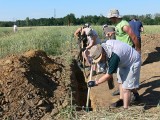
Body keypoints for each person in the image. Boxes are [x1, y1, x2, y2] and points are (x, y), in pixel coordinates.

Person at [87, 40, 141, 109]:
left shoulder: (114, 57)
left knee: (126, 88)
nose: (100, 61)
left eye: (100, 59)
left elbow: (108, 75)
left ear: (103, 54)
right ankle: (125, 99)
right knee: (121, 81)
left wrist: (96, 82)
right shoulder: (103, 46)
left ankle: (126, 108)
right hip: (123, 60)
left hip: (133, 61)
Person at [107, 9, 141, 99]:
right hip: (121, 52)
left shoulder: (124, 24)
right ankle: (122, 90)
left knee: (125, 75)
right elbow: (120, 32)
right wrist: (112, 33)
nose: (110, 19)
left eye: (111, 18)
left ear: (115, 17)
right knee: (120, 75)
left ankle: (132, 95)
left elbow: (134, 36)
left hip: (127, 52)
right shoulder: (118, 25)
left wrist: (138, 50)